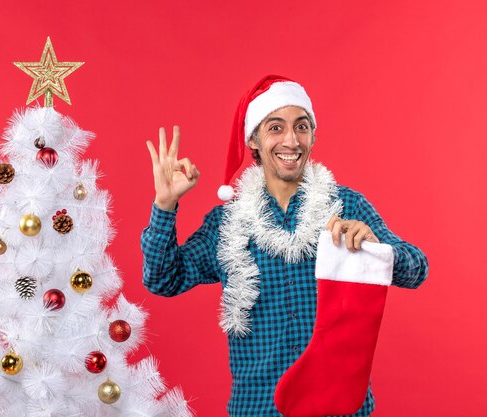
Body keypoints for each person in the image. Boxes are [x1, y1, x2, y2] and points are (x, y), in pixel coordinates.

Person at [141, 75, 428, 417]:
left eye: (301, 127)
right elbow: (163, 279)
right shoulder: (227, 222)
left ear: (313, 136)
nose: (291, 140)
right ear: (255, 140)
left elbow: (417, 269)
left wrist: (376, 246)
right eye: (276, 128)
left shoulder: (346, 205)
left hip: (340, 408)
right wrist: (164, 205)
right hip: (259, 408)